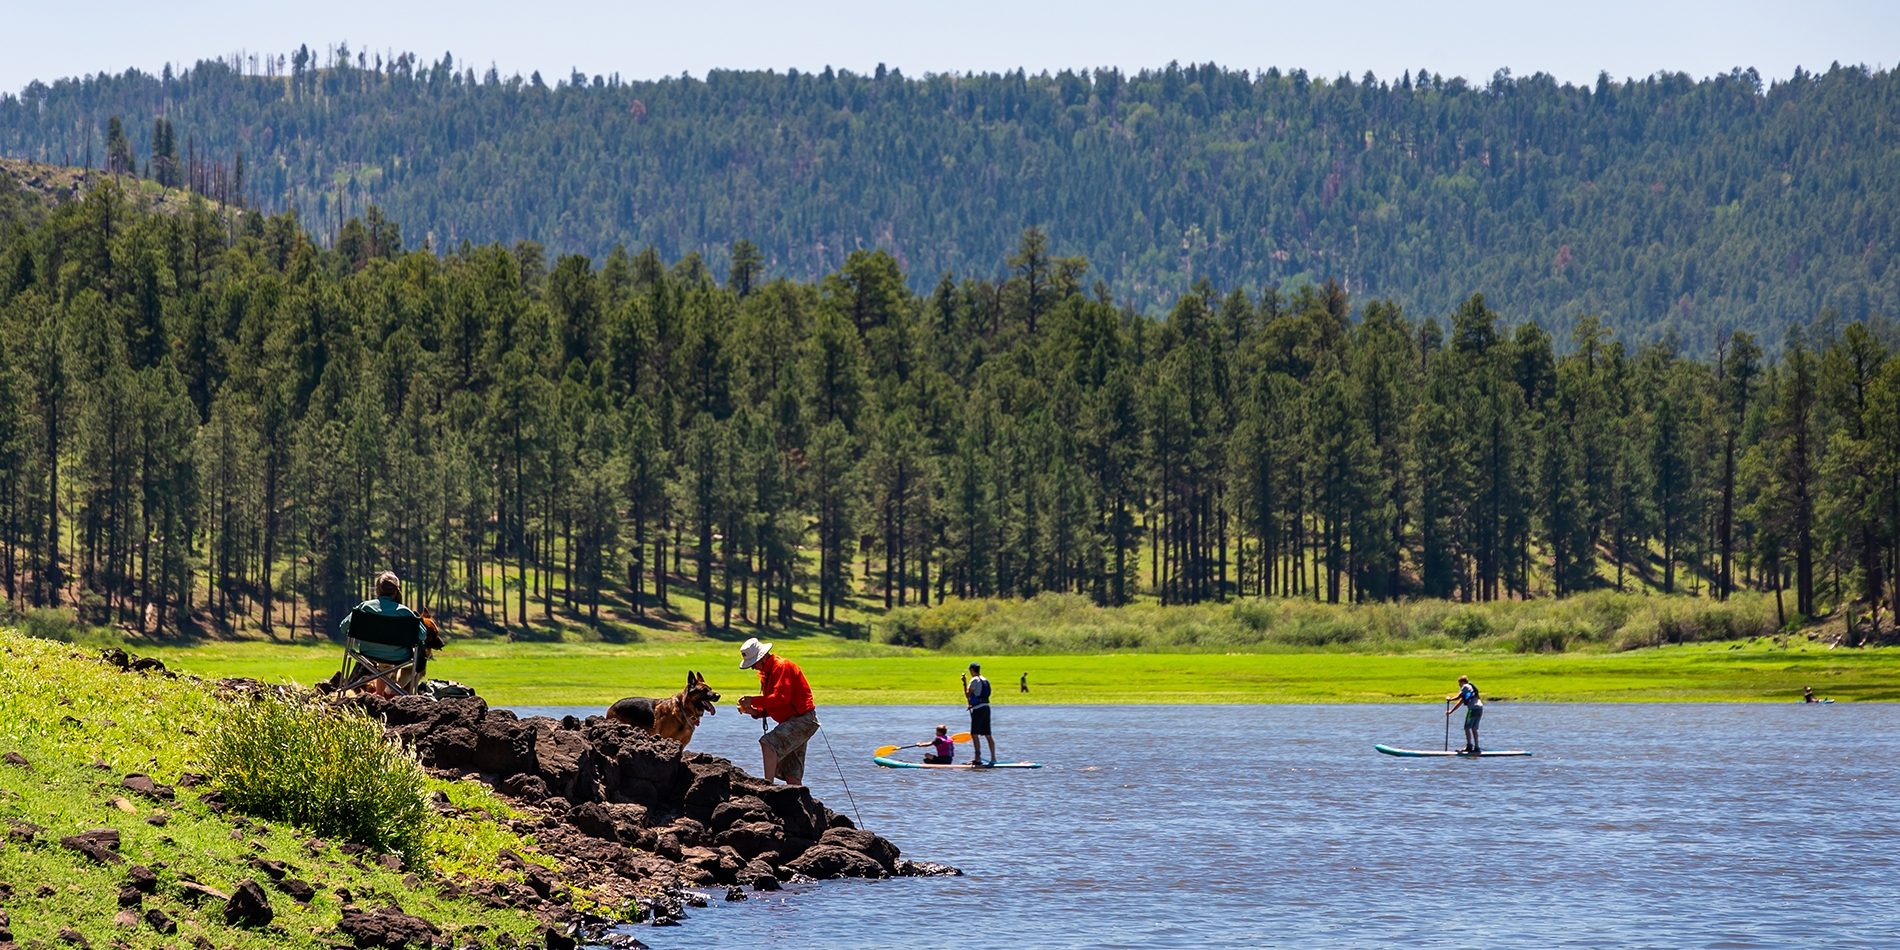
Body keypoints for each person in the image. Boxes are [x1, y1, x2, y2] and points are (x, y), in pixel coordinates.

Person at [737, 637, 819, 786]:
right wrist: (755, 712)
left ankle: (767, 787)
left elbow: (782, 698)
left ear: (762, 658)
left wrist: (753, 700)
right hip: (794, 722)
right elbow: (774, 703)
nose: (753, 668)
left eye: (753, 664)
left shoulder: (782, 667)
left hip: (802, 720)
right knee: (791, 772)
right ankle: (797, 804)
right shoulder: (767, 673)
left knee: (767, 743)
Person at [339, 572, 428, 696]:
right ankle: (394, 692)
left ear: (377, 590)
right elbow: (423, 635)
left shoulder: (364, 607)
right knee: (416, 662)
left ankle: (379, 693)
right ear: (396, 591)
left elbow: (343, 627)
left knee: (383, 664)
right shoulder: (405, 612)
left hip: (367, 651)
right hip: (399, 655)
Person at [963, 662, 996, 766]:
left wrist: (964, 683)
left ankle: (977, 759)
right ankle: (993, 758)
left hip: (978, 709)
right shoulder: (985, 679)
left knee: (974, 734)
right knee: (987, 734)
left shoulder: (974, 680)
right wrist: (972, 704)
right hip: (986, 707)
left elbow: (968, 695)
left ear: (972, 670)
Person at [1446, 675, 1483, 754]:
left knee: (1467, 727)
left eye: (1459, 684)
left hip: (1472, 709)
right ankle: (1476, 747)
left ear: (1462, 682)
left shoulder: (1466, 686)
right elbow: (1461, 701)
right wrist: (1451, 711)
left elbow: (1458, 697)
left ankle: (1469, 746)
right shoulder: (1470, 690)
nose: (1459, 686)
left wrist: (1450, 699)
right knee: (1474, 728)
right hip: (1480, 708)